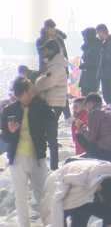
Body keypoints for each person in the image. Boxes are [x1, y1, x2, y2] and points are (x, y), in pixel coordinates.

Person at [1, 76, 54, 227]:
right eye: (21, 95)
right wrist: (10, 131)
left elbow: (51, 116)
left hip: (38, 157)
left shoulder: (37, 104)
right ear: (16, 96)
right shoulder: (9, 110)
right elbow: (4, 137)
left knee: (42, 196)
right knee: (21, 198)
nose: (25, 98)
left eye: (27, 93)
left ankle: (48, 224)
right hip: (18, 158)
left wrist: (37, 97)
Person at [41, 160, 111, 227]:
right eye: (102, 199)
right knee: (81, 212)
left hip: (89, 193)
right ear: (99, 188)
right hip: (56, 188)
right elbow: (56, 203)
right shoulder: (77, 181)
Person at [36, 39, 68, 170]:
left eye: (45, 50)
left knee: (50, 136)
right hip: (53, 103)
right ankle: (50, 165)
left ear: (51, 51)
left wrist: (37, 81)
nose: (43, 53)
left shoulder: (57, 67)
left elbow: (41, 84)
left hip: (53, 104)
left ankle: (53, 167)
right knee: (49, 135)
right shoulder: (54, 65)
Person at [72, 93, 111, 163]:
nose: (87, 110)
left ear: (90, 104)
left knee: (78, 135)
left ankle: (90, 157)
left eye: (87, 106)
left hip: (107, 153)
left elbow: (90, 137)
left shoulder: (93, 112)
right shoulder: (110, 110)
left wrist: (81, 126)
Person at [36, 19, 71, 120]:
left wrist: (66, 68)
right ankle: (47, 112)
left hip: (60, 66)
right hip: (46, 67)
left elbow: (65, 55)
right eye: (50, 28)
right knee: (48, 91)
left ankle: (67, 115)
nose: (53, 30)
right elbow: (42, 55)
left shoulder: (59, 40)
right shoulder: (41, 40)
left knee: (61, 91)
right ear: (46, 29)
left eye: (54, 27)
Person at [96, 24, 111, 105]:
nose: (98, 36)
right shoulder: (108, 42)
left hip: (108, 74)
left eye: (98, 34)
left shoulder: (110, 43)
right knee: (106, 95)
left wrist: (103, 72)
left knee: (107, 96)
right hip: (107, 74)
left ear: (101, 32)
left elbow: (110, 61)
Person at [79, 27, 103, 96]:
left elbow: (96, 61)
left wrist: (84, 65)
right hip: (86, 76)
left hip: (92, 77)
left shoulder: (96, 45)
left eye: (85, 36)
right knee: (84, 96)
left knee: (90, 97)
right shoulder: (88, 46)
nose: (84, 38)